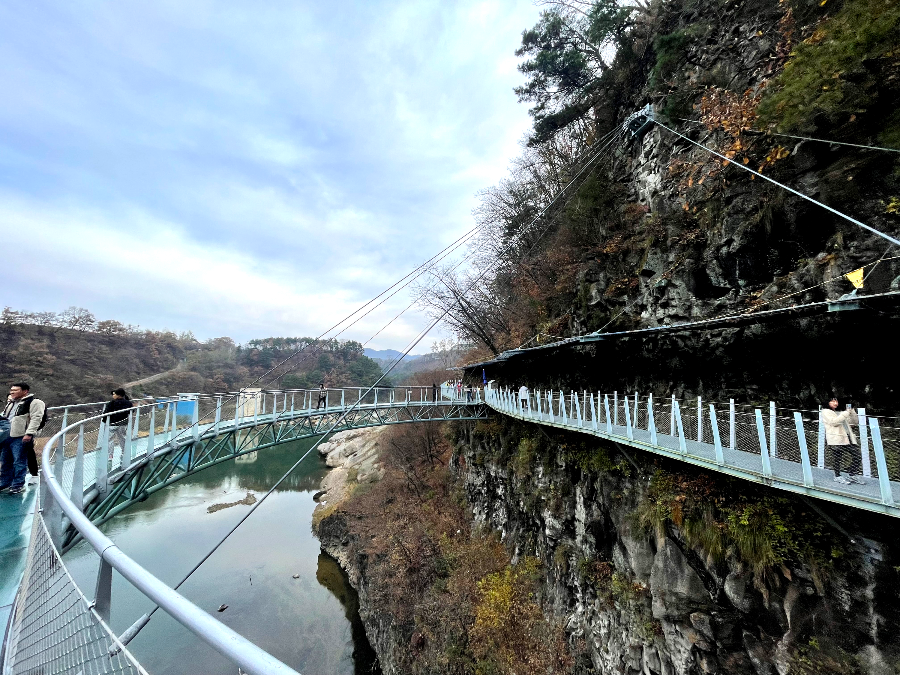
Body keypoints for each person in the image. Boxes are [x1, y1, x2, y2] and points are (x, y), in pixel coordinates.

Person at [0, 383, 46, 495]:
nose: (12, 392)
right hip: (7, 436)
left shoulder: (35, 402)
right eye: (11, 390)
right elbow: (5, 417)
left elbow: (37, 418)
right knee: (6, 461)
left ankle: (18, 485)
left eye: (15, 390)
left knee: (19, 461)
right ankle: (5, 483)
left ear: (25, 391)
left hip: (20, 436)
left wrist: (29, 433)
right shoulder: (11, 403)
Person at [820, 397, 863, 485]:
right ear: (827, 402)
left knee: (857, 455)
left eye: (836, 401)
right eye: (832, 401)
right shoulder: (825, 411)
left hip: (847, 437)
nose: (835, 403)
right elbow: (834, 422)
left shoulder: (840, 412)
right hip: (836, 438)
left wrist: (851, 412)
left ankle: (852, 474)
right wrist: (846, 413)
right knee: (837, 458)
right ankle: (837, 476)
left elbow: (854, 423)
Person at [103, 388, 133, 453]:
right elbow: (131, 411)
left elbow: (105, 413)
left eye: (115, 394)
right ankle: (124, 452)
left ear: (118, 395)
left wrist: (105, 421)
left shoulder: (111, 403)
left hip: (113, 423)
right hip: (123, 423)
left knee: (110, 439)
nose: (113, 395)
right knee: (122, 437)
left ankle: (110, 455)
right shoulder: (128, 403)